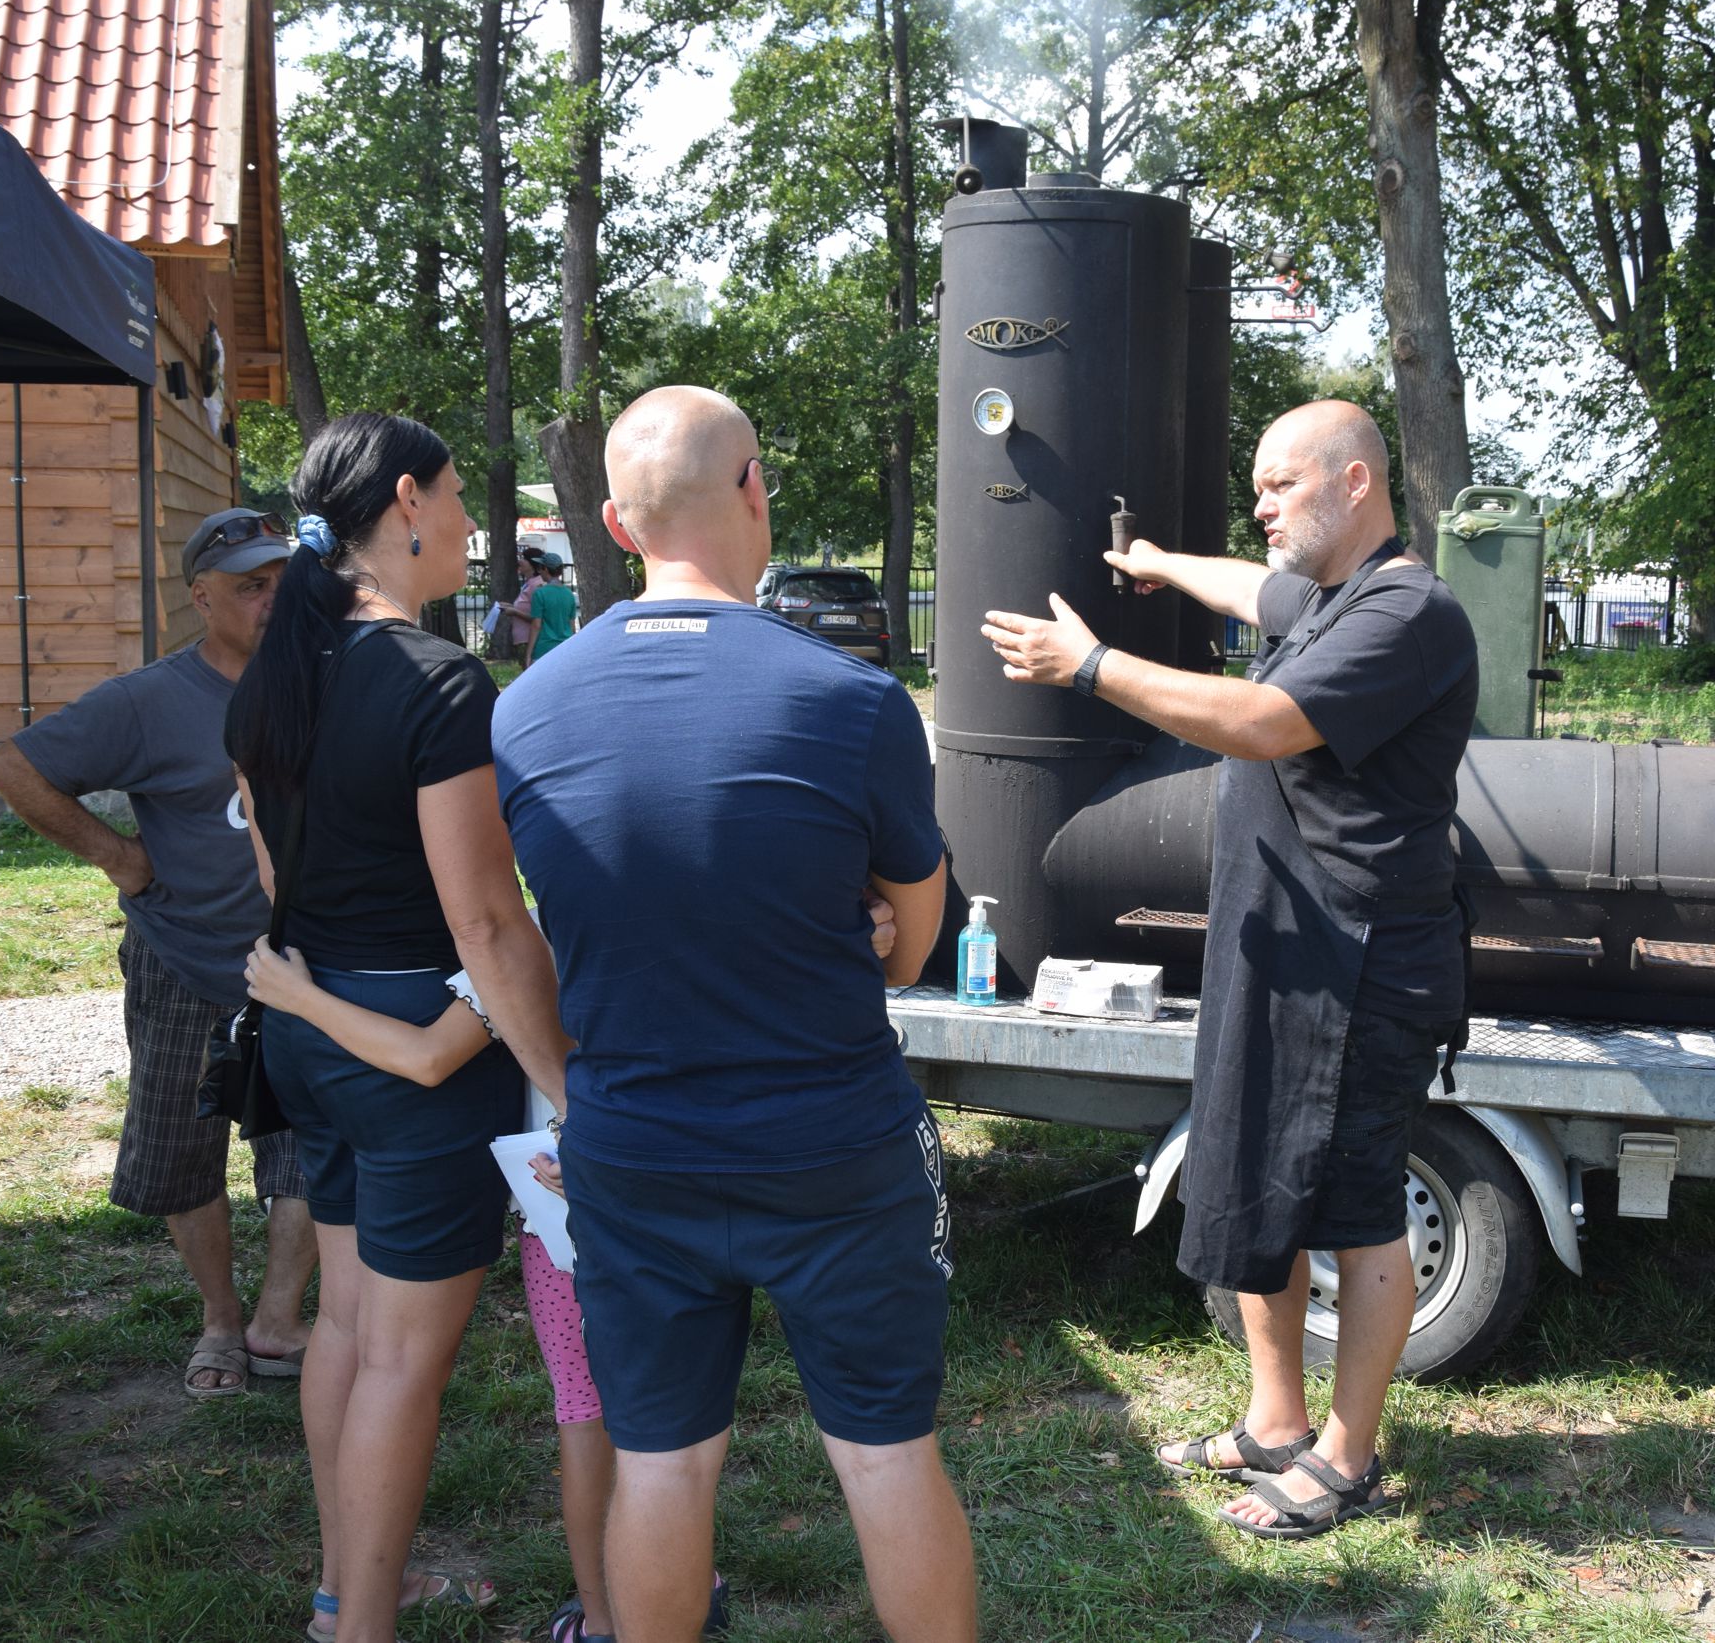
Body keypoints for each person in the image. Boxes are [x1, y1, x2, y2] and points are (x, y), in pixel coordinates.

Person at [492, 386, 972, 1643]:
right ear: (755, 488)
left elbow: (528, 929)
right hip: (834, 1142)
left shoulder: (526, 709)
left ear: (611, 521)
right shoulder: (855, 701)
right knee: (884, 1456)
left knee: (661, 1462)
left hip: (635, 1144)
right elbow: (914, 947)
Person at [981, 400, 1478, 1540]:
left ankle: (1347, 1460)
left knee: (1354, 1207)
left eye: (1277, 484)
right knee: (1250, 1172)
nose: (1257, 505)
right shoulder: (1328, 595)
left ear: (1355, 482)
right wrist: (1156, 562)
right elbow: (1251, 590)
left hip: (1361, 960)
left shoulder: (1409, 609)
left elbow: (1258, 719)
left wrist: (1092, 664)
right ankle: (1275, 1422)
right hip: (1279, 946)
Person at [226, 414, 573, 1643]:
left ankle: (338, 1589)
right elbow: (486, 918)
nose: (476, 527)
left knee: (351, 1325)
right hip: (412, 1040)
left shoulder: (277, 671)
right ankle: (359, 1624)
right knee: (400, 1364)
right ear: (409, 500)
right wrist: (562, 1086)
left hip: (312, 1030)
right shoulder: (435, 681)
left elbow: (276, 872)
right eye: (463, 501)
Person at [240, 931, 787, 1643]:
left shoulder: (524, 939)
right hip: (675, 1212)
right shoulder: (703, 929)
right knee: (675, 1424)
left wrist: (301, 999)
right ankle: (676, 1586)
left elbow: (428, 1056)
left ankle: (600, 1620)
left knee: (588, 1418)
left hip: (565, 1224)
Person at [0, 508, 316, 1401]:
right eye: (251, 586)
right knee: (181, 1146)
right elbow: (15, 766)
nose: (273, 600)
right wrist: (119, 856)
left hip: (306, 964)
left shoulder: (329, 681)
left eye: (284, 580)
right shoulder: (149, 700)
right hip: (184, 959)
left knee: (308, 1144)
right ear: (201, 598)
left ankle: (278, 1321)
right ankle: (219, 1320)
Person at [526, 549, 579, 662]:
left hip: (544, 649)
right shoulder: (569, 594)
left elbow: (536, 625)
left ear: (545, 569)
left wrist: (528, 654)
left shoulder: (540, 593)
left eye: (541, 568)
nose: (539, 571)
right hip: (564, 648)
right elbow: (572, 626)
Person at [511, 553, 546, 665]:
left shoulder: (537, 585)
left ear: (533, 564)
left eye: (524, 559)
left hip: (528, 638)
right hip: (521, 638)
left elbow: (537, 617)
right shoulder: (529, 583)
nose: (520, 561)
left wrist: (514, 612)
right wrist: (509, 607)